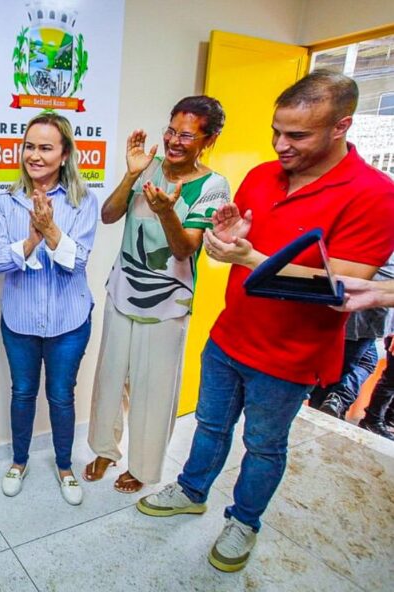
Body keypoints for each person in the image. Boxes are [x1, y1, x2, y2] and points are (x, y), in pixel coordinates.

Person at [136, 71, 394, 573]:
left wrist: (251, 255)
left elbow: (344, 284)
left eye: (297, 135)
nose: (281, 144)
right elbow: (230, 249)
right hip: (231, 335)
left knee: (264, 445)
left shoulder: (375, 194)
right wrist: (219, 242)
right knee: (209, 426)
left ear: (342, 126)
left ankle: (244, 521)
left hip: (290, 356)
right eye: (277, 131)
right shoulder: (260, 175)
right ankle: (191, 490)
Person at [85, 96, 230, 494]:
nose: (174, 141)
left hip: (169, 302)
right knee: (111, 376)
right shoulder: (146, 165)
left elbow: (185, 249)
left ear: (209, 139)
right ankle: (103, 449)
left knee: (155, 386)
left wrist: (167, 210)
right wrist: (131, 176)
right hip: (123, 290)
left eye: (186, 135)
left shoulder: (213, 186)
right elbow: (109, 215)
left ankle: (143, 467)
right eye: (171, 130)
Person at [0, 112, 98, 506]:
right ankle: (19, 462)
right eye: (30, 146)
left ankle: (65, 467)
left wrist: (50, 229)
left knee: (61, 395)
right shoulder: (4, 203)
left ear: (65, 154)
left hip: (69, 321)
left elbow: (77, 262)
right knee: (22, 392)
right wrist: (32, 239)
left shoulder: (84, 202)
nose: (34, 155)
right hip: (19, 321)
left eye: (46, 147)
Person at [309, 255, 394, 419]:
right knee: (337, 372)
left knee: (365, 361)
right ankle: (328, 409)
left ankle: (335, 402)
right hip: (358, 312)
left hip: (360, 308)